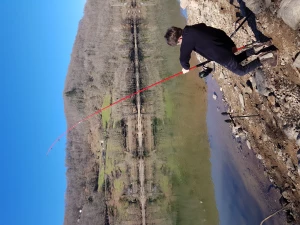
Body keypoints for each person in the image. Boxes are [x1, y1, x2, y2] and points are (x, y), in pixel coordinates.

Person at [164, 24, 277, 76]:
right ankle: (260, 46)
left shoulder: (187, 39)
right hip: (224, 47)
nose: (181, 45)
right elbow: (217, 31)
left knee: (241, 71)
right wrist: (230, 44)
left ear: (180, 38)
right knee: (237, 59)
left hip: (222, 56)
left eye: (179, 43)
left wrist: (185, 68)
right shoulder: (194, 28)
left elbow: (183, 59)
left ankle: (267, 57)